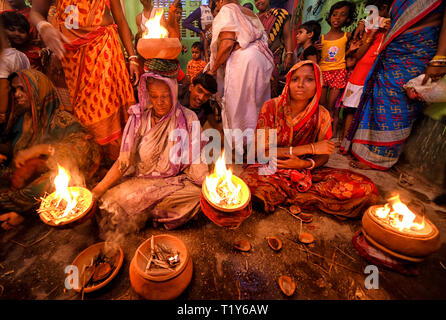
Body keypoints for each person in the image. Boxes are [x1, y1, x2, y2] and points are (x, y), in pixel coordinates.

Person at [240, 61, 379, 218]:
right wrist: (309, 149)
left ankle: (284, 195)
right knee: (246, 182)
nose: (300, 85)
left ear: (318, 85)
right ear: (288, 83)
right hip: (270, 170)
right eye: (295, 79)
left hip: (307, 172)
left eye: (309, 79)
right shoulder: (271, 107)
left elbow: (324, 156)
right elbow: (261, 153)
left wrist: (303, 163)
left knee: (365, 187)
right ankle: (291, 194)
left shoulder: (323, 115)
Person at [92, 73, 209, 235]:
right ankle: (150, 214)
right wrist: (96, 191)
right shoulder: (139, 119)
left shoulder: (189, 118)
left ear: (174, 94)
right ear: (147, 94)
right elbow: (123, 162)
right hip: (141, 182)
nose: (160, 102)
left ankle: (144, 214)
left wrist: (211, 186)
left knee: (199, 194)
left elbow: (197, 161)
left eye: (165, 96)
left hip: (173, 183)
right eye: (154, 96)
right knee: (107, 204)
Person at [30, 0, 139, 160]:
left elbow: (120, 19)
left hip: (104, 49)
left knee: (103, 109)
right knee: (82, 117)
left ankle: (112, 161)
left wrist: (133, 57)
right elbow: (36, 12)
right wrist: (44, 27)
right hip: (70, 59)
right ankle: (91, 161)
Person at [344, 0, 446, 170]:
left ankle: (381, 158)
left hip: (417, 50)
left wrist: (441, 57)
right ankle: (364, 150)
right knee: (379, 99)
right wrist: (363, 21)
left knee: (398, 101)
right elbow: (379, 11)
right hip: (393, 52)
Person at [0, 70, 100, 230]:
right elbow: (13, 151)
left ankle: (18, 211)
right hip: (24, 175)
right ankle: (17, 212)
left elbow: (82, 147)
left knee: (46, 184)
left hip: (51, 175)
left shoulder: (60, 118)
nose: (17, 94)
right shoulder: (22, 119)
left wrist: (39, 150)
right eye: (14, 90)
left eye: (22, 89)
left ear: (38, 90)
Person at [209, 0, 274, 149]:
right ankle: (257, 147)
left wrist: (213, 70)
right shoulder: (250, 13)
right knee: (256, 105)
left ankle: (239, 148)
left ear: (220, 1)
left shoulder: (227, 9)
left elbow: (227, 44)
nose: (217, 7)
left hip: (243, 61)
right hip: (261, 61)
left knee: (237, 106)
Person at [339, 0, 392, 152]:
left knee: (368, 110)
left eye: (371, 12)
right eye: (369, 13)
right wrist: (373, 31)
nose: (370, 16)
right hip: (361, 72)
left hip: (378, 73)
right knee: (351, 108)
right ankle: (345, 144)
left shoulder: (392, 26)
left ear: (384, 8)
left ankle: (358, 147)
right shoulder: (370, 27)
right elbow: (359, 56)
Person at [319, 1, 356, 122]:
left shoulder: (348, 36)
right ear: (330, 17)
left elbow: (343, 55)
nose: (337, 17)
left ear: (348, 19)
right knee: (322, 106)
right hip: (322, 71)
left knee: (331, 106)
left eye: (342, 15)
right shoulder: (322, 38)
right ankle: (322, 130)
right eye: (335, 14)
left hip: (339, 72)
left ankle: (331, 134)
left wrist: (350, 51)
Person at [255, 0, 293, 97]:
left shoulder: (280, 14)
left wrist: (289, 54)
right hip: (256, 60)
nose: (259, 2)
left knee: (272, 88)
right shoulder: (253, 18)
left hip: (273, 58)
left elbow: (287, 36)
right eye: (256, 0)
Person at [0, 14, 30, 126]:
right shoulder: (22, 56)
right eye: (11, 29)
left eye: (21, 31)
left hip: (7, 107)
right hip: (18, 108)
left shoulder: (4, 57)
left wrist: (1, 114)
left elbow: (3, 87)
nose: (16, 34)